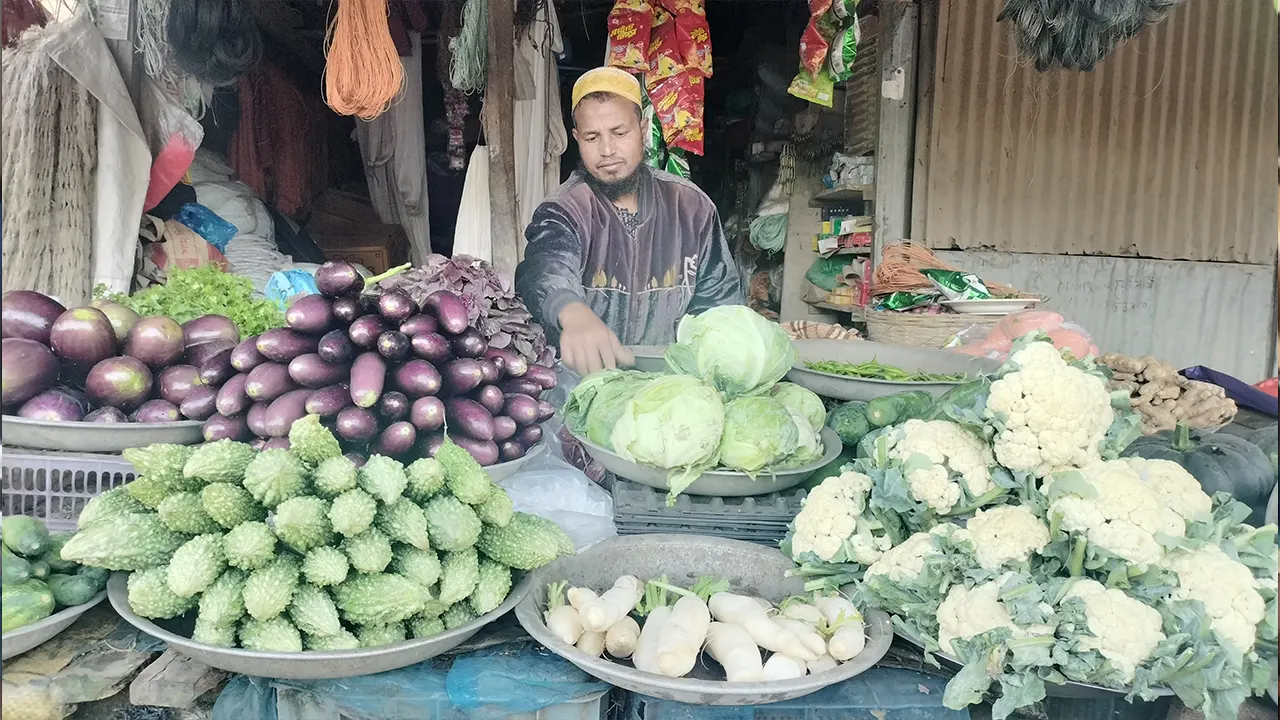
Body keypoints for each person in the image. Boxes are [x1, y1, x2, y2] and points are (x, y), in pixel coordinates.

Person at [515, 67, 744, 376]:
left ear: (643, 127)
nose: (607, 151)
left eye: (619, 133)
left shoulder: (692, 208)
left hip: (672, 391)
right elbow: (545, 267)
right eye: (592, 137)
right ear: (576, 139)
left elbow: (720, 307)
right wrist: (571, 310)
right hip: (585, 393)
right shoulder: (565, 209)